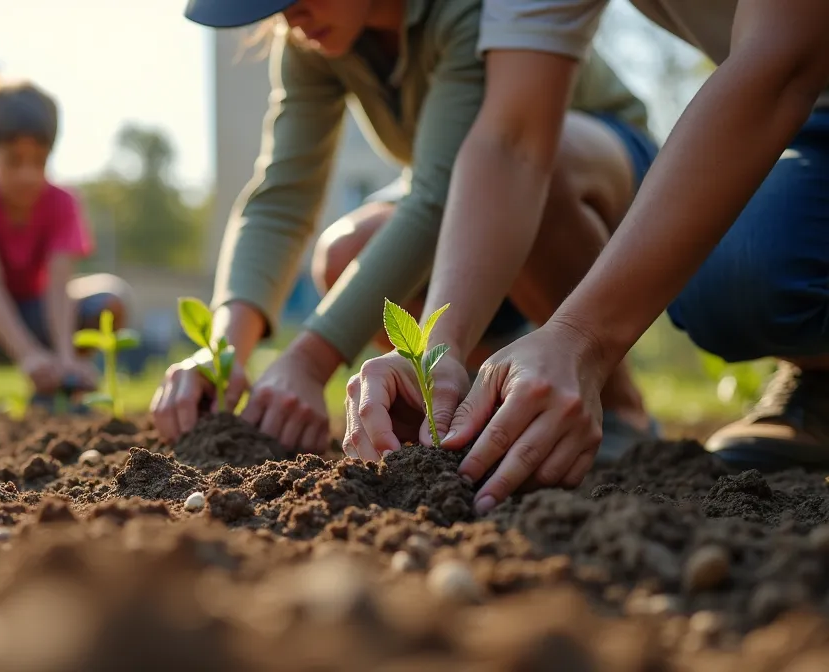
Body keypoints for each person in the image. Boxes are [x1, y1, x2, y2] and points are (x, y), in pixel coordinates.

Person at [348, 0, 829, 515]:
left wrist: (582, 340)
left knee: (744, 264)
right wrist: (433, 348)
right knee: (736, 279)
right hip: (815, 121)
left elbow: (784, 58)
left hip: (796, 84)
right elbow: (512, 140)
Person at [158, 0, 659, 455]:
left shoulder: (465, 10)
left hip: (596, 179)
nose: (291, 17)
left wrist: (310, 363)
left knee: (529, 166)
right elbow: (281, 196)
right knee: (346, 254)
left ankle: (618, 408)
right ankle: (483, 405)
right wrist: (223, 352)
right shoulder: (311, 42)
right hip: (474, 205)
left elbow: (462, 183)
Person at [0, 73, 133, 411]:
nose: (28, 175)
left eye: (39, 161)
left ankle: (60, 384)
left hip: (38, 317)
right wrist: (28, 357)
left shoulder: (63, 202)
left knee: (110, 296)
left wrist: (64, 356)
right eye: (14, 161)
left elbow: (58, 284)